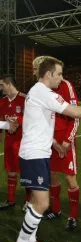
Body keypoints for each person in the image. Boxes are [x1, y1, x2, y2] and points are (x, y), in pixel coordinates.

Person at [16, 56, 81, 242]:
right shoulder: (43, 92)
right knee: (43, 204)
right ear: (49, 74)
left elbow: (38, 122)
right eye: (60, 74)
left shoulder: (40, 92)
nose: (62, 78)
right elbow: (72, 111)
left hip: (40, 152)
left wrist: (53, 142)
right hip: (34, 155)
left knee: (38, 201)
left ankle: (32, 238)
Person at [44, 72, 81, 231]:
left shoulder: (65, 85)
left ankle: (73, 216)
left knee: (70, 177)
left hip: (65, 140)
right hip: (49, 140)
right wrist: (50, 140)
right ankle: (56, 209)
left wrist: (67, 141)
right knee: (52, 173)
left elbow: (76, 115)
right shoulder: (41, 89)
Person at [0, 75, 31, 210]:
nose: (0, 88)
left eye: (1, 85)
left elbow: (33, 119)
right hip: (9, 142)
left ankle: (28, 201)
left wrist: (19, 121)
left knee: (25, 173)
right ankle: (10, 200)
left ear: (9, 84)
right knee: (11, 170)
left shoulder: (25, 99)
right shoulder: (2, 102)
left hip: (23, 142)